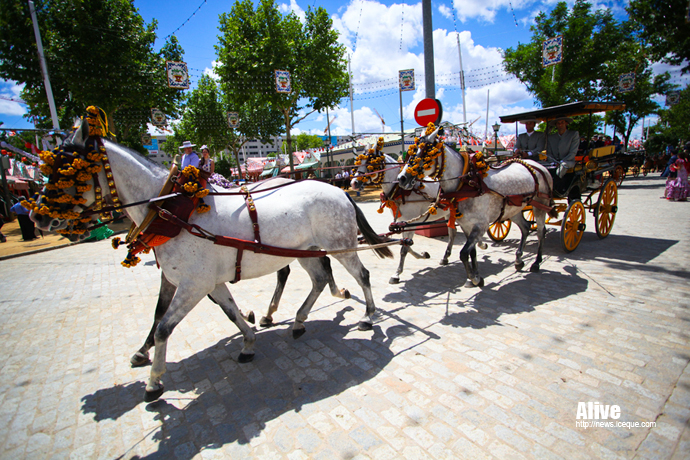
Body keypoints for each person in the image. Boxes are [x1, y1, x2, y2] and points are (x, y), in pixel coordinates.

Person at [546, 117, 579, 194]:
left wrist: (560, 162)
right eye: (558, 123)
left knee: (563, 166)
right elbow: (549, 153)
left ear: (566, 123)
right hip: (553, 162)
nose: (560, 124)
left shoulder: (573, 134)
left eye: (562, 122)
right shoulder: (551, 137)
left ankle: (555, 188)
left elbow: (572, 153)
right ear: (556, 125)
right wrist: (553, 162)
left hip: (568, 161)